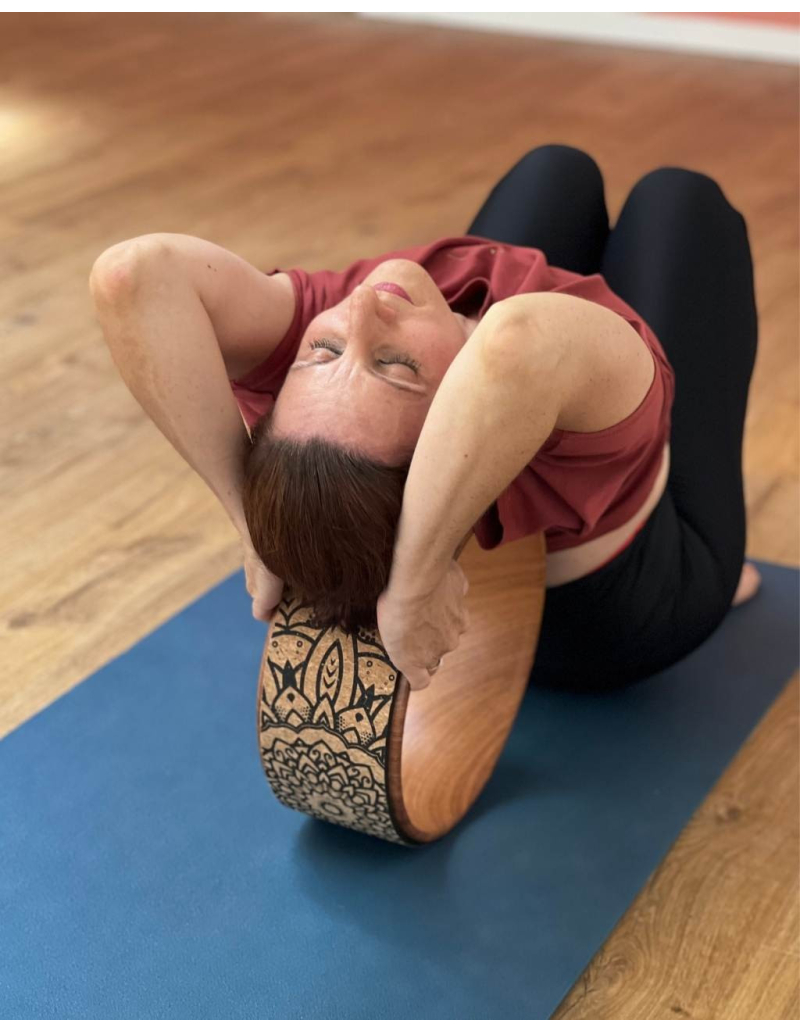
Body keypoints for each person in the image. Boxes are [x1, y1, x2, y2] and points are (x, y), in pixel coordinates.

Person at [89, 144, 760, 695]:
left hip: (474, 536)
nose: (361, 310)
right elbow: (515, 346)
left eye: (319, 353)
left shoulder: (328, 365)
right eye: (397, 367)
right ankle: (721, 576)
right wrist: (413, 584)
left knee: (558, 170)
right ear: (462, 426)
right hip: (627, 613)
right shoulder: (540, 374)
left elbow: (132, 276)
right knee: (681, 200)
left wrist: (252, 523)